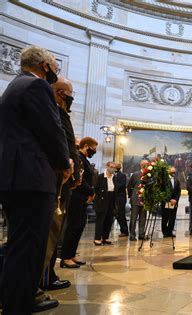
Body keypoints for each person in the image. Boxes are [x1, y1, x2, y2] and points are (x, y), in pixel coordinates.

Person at [0, 46, 71, 313]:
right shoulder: (36, 87)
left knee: (20, 242)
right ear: (44, 65)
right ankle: (18, 303)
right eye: (54, 66)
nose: (55, 71)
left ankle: (15, 297)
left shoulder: (15, 85)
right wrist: (65, 163)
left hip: (15, 178)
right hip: (31, 180)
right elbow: (51, 131)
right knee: (29, 244)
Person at [40, 77, 80, 292]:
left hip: (63, 181)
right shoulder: (53, 111)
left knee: (55, 230)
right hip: (56, 180)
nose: (72, 98)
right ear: (60, 93)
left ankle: (48, 274)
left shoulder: (60, 112)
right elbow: (60, 143)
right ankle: (44, 277)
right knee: (50, 230)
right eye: (69, 93)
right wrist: (67, 166)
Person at [61, 137, 97, 268]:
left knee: (79, 226)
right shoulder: (78, 158)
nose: (94, 151)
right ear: (86, 146)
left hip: (82, 197)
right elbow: (79, 178)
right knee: (73, 227)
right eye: (93, 149)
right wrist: (91, 191)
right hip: (76, 196)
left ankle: (71, 254)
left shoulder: (84, 159)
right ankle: (65, 257)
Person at [93, 161, 116, 246]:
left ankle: (105, 238)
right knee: (100, 220)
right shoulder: (101, 177)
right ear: (107, 166)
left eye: (114, 167)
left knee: (109, 220)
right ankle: (97, 239)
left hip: (111, 199)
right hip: (101, 200)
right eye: (111, 166)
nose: (112, 168)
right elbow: (95, 189)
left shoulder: (114, 177)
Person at [127, 160, 149, 241]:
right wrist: (131, 196)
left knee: (143, 219)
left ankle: (141, 234)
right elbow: (129, 186)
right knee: (133, 218)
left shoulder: (149, 175)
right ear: (141, 165)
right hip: (135, 199)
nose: (146, 165)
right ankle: (132, 235)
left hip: (145, 200)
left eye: (147, 164)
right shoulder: (135, 174)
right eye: (144, 164)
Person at [162, 167, 181, 238]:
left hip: (174, 202)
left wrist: (175, 200)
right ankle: (165, 232)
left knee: (172, 218)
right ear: (168, 172)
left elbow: (179, 191)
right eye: (172, 172)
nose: (173, 173)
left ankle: (170, 232)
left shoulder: (177, 180)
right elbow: (163, 191)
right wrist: (170, 200)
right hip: (167, 201)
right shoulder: (164, 180)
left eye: (174, 172)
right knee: (165, 217)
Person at [113, 162, 129, 237]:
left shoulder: (122, 175)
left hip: (120, 198)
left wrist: (112, 188)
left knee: (121, 214)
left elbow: (121, 186)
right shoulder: (112, 175)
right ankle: (123, 230)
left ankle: (125, 231)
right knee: (117, 214)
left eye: (115, 166)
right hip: (114, 197)